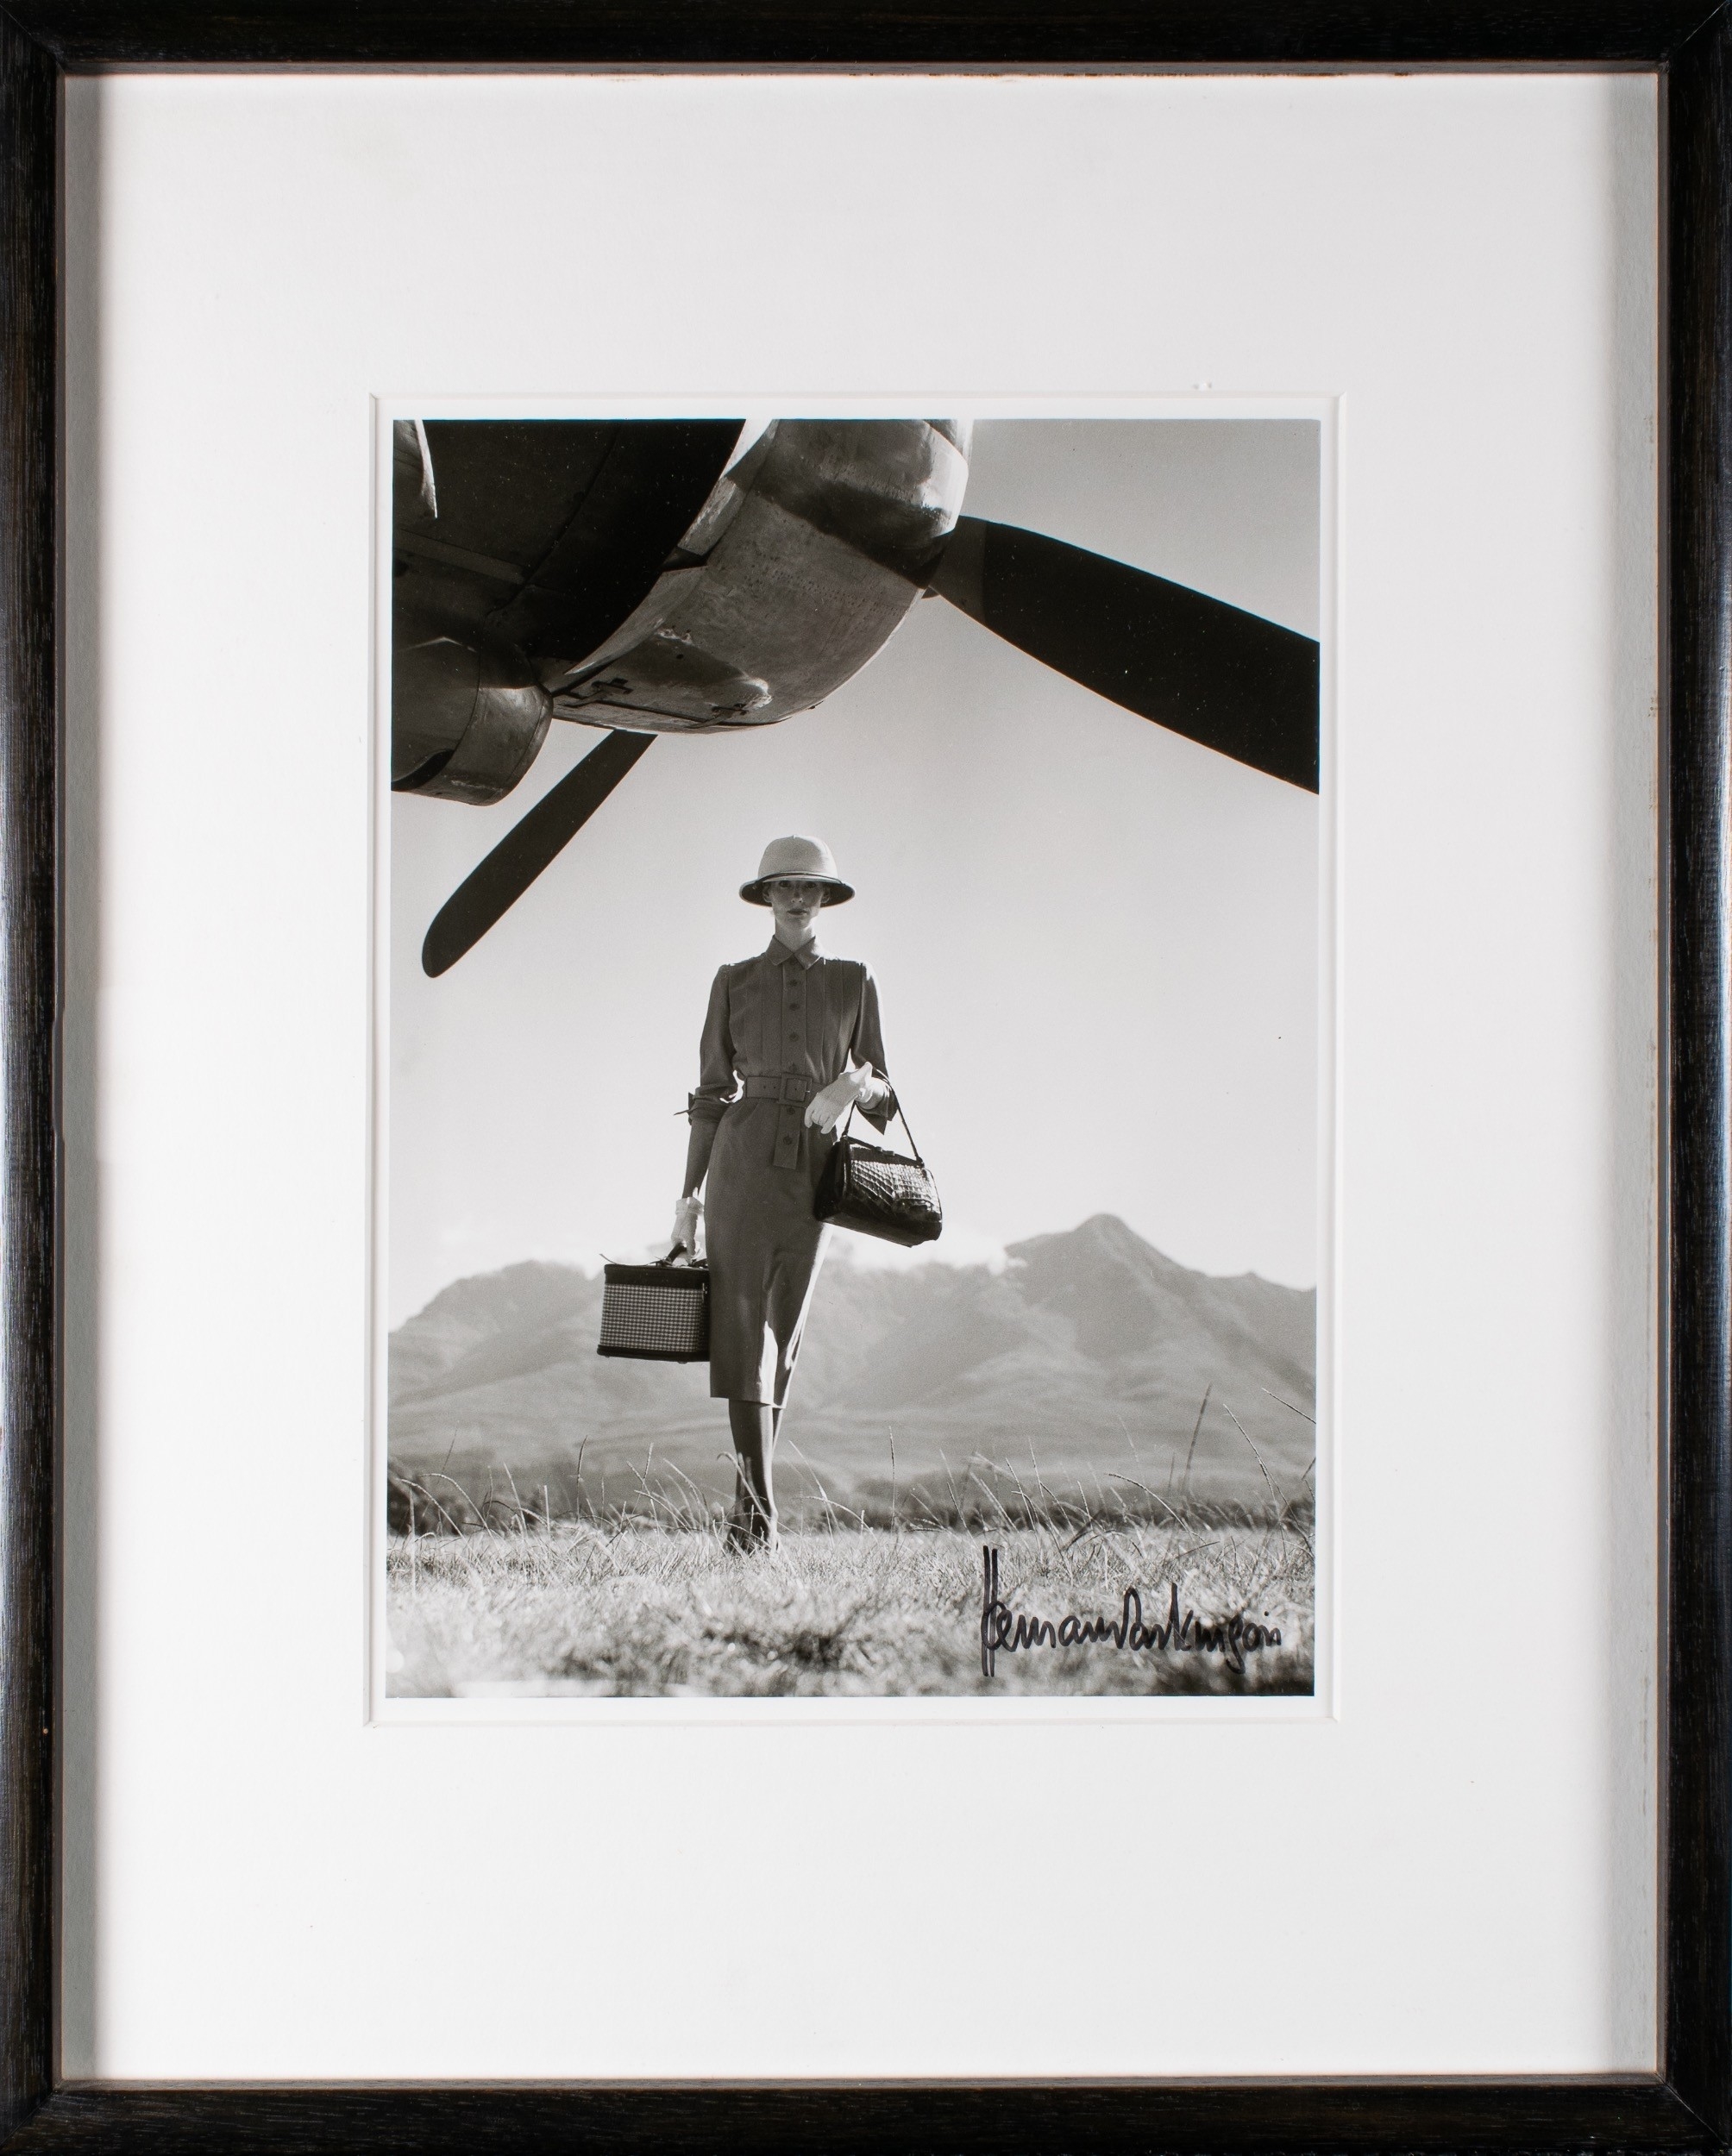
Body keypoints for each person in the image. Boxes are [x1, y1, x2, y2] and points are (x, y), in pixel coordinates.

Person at [674, 836, 896, 1551]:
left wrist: (852, 1084)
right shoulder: (731, 980)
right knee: (740, 1329)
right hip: (740, 1162)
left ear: (826, 898)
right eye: (784, 887)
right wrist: (687, 1201)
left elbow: (887, 1099)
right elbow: (710, 1096)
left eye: (810, 888)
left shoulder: (856, 980)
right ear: (766, 896)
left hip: (817, 1168)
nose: (798, 898)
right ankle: (758, 1515)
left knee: (784, 1334)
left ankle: (749, 1507)